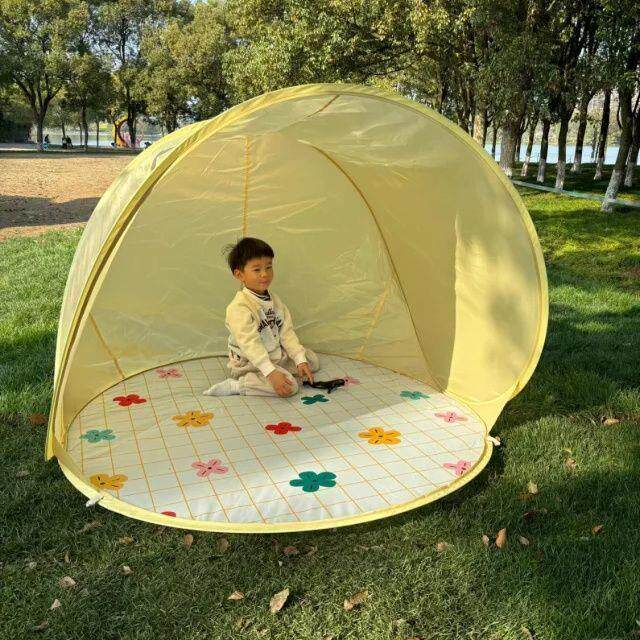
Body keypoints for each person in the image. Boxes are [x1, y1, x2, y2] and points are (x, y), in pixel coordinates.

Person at [203, 237, 320, 398]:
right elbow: (250, 344)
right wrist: (270, 372)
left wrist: (300, 359)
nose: (265, 274)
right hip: (250, 362)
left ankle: (277, 369)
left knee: (311, 361)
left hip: (274, 354)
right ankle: (237, 385)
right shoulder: (239, 307)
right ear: (240, 275)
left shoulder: (275, 301)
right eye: (257, 270)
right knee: (290, 386)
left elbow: (286, 333)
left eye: (269, 267)